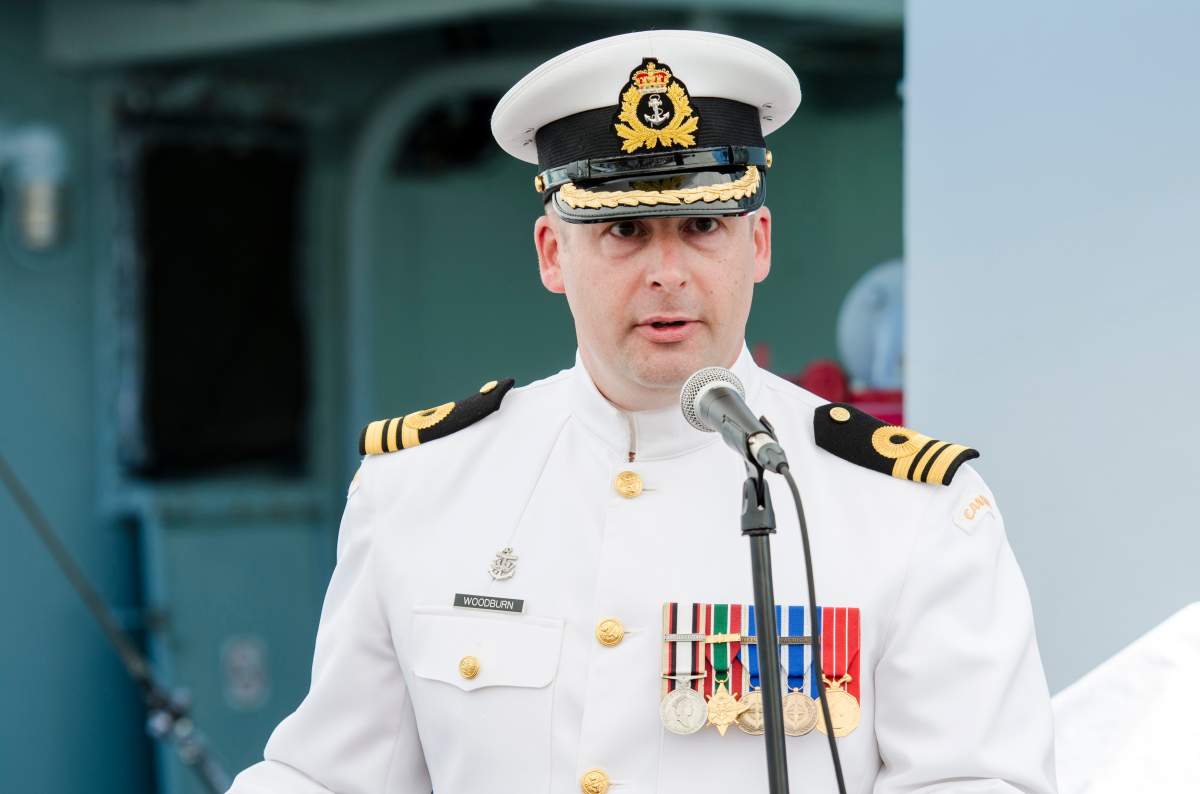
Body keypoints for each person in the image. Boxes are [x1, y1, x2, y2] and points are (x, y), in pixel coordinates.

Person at [229, 30, 1057, 794]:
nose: (667, 271)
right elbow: (331, 778)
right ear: (554, 254)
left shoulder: (913, 513)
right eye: (622, 230)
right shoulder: (420, 489)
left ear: (758, 243)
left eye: (702, 224)